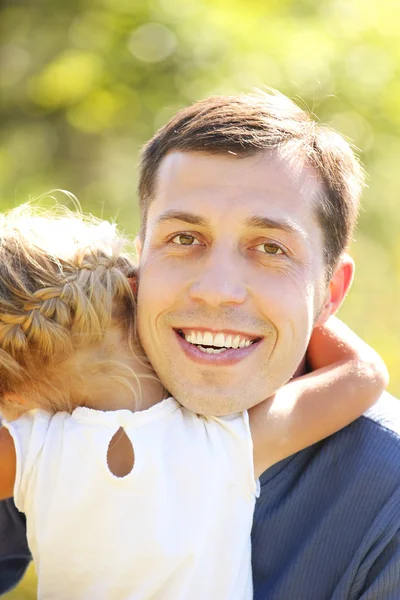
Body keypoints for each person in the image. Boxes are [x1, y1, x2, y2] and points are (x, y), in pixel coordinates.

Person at [1, 89, 400, 598]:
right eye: (185, 239)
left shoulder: (386, 492)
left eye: (271, 248)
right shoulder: (50, 411)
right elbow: (364, 372)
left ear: (331, 292)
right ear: (138, 269)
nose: (216, 290)